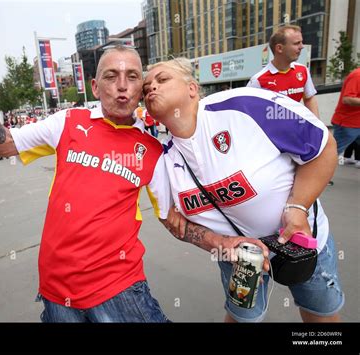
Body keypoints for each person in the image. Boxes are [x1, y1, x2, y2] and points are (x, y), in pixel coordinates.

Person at [0, 6, 172, 322]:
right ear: (95, 87)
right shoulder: (67, 122)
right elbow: (3, 144)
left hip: (120, 292)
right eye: (111, 76)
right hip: (57, 293)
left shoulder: (153, 149)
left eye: (132, 76)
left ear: (141, 88)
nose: (122, 85)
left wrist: (227, 243)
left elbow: (174, 217)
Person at [143, 58, 344, 323]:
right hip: (240, 258)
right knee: (242, 320)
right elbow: (171, 221)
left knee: (322, 316)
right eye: (145, 88)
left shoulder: (246, 106)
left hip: (299, 241)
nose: (151, 89)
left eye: (162, 79)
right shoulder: (161, 160)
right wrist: (220, 244)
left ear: (192, 88)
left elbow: (322, 147)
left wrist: (298, 207)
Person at [247, 25, 319, 118]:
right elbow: (248, 110)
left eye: (301, 42)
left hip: (296, 129)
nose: (302, 47)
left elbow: (309, 99)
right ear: (279, 48)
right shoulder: (258, 80)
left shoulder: (302, 70)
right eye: (297, 43)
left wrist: (318, 127)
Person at [331, 67, 360, 168]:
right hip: (348, 124)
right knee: (330, 154)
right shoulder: (357, 75)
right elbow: (347, 99)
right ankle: (314, 180)